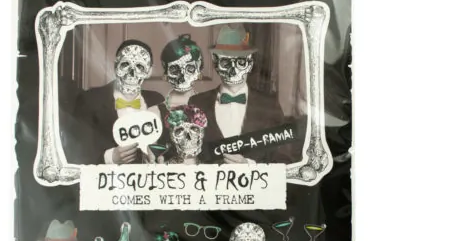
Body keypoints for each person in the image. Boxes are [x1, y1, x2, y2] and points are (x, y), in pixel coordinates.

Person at [188, 24, 305, 164]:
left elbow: (284, 158)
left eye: (241, 62)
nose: (233, 70)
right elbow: (188, 153)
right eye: (225, 62)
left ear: (250, 64)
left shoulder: (269, 105)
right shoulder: (197, 103)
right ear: (215, 63)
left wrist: (250, 166)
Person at [73, 39, 163, 164]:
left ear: (149, 71)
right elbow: (76, 152)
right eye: (125, 65)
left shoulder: (157, 100)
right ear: (116, 66)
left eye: (139, 67)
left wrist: (159, 155)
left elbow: (166, 146)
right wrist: (110, 157)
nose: (131, 73)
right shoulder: (89, 100)